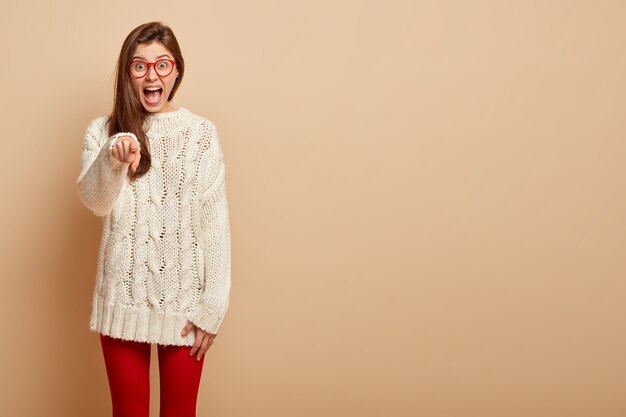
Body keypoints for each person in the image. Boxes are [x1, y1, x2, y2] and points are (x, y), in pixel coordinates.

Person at [76, 21, 231, 417]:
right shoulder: (103, 131)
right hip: (122, 304)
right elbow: (94, 202)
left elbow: (215, 226)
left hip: (185, 310)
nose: (152, 75)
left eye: (162, 64)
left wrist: (212, 308)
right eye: (139, 65)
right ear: (127, 72)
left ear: (176, 70)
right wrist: (113, 159)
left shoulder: (201, 135)